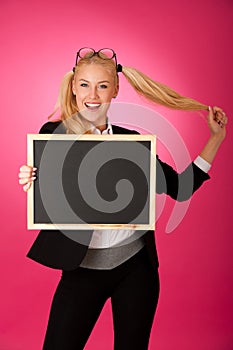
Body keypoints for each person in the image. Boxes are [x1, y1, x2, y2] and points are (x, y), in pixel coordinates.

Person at [18, 48, 227, 350]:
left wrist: (215, 140)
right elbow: (46, 191)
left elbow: (180, 187)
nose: (93, 94)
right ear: (74, 87)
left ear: (115, 89)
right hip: (81, 270)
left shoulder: (134, 144)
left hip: (135, 271)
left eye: (102, 85)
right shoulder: (53, 136)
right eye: (85, 84)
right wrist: (31, 180)